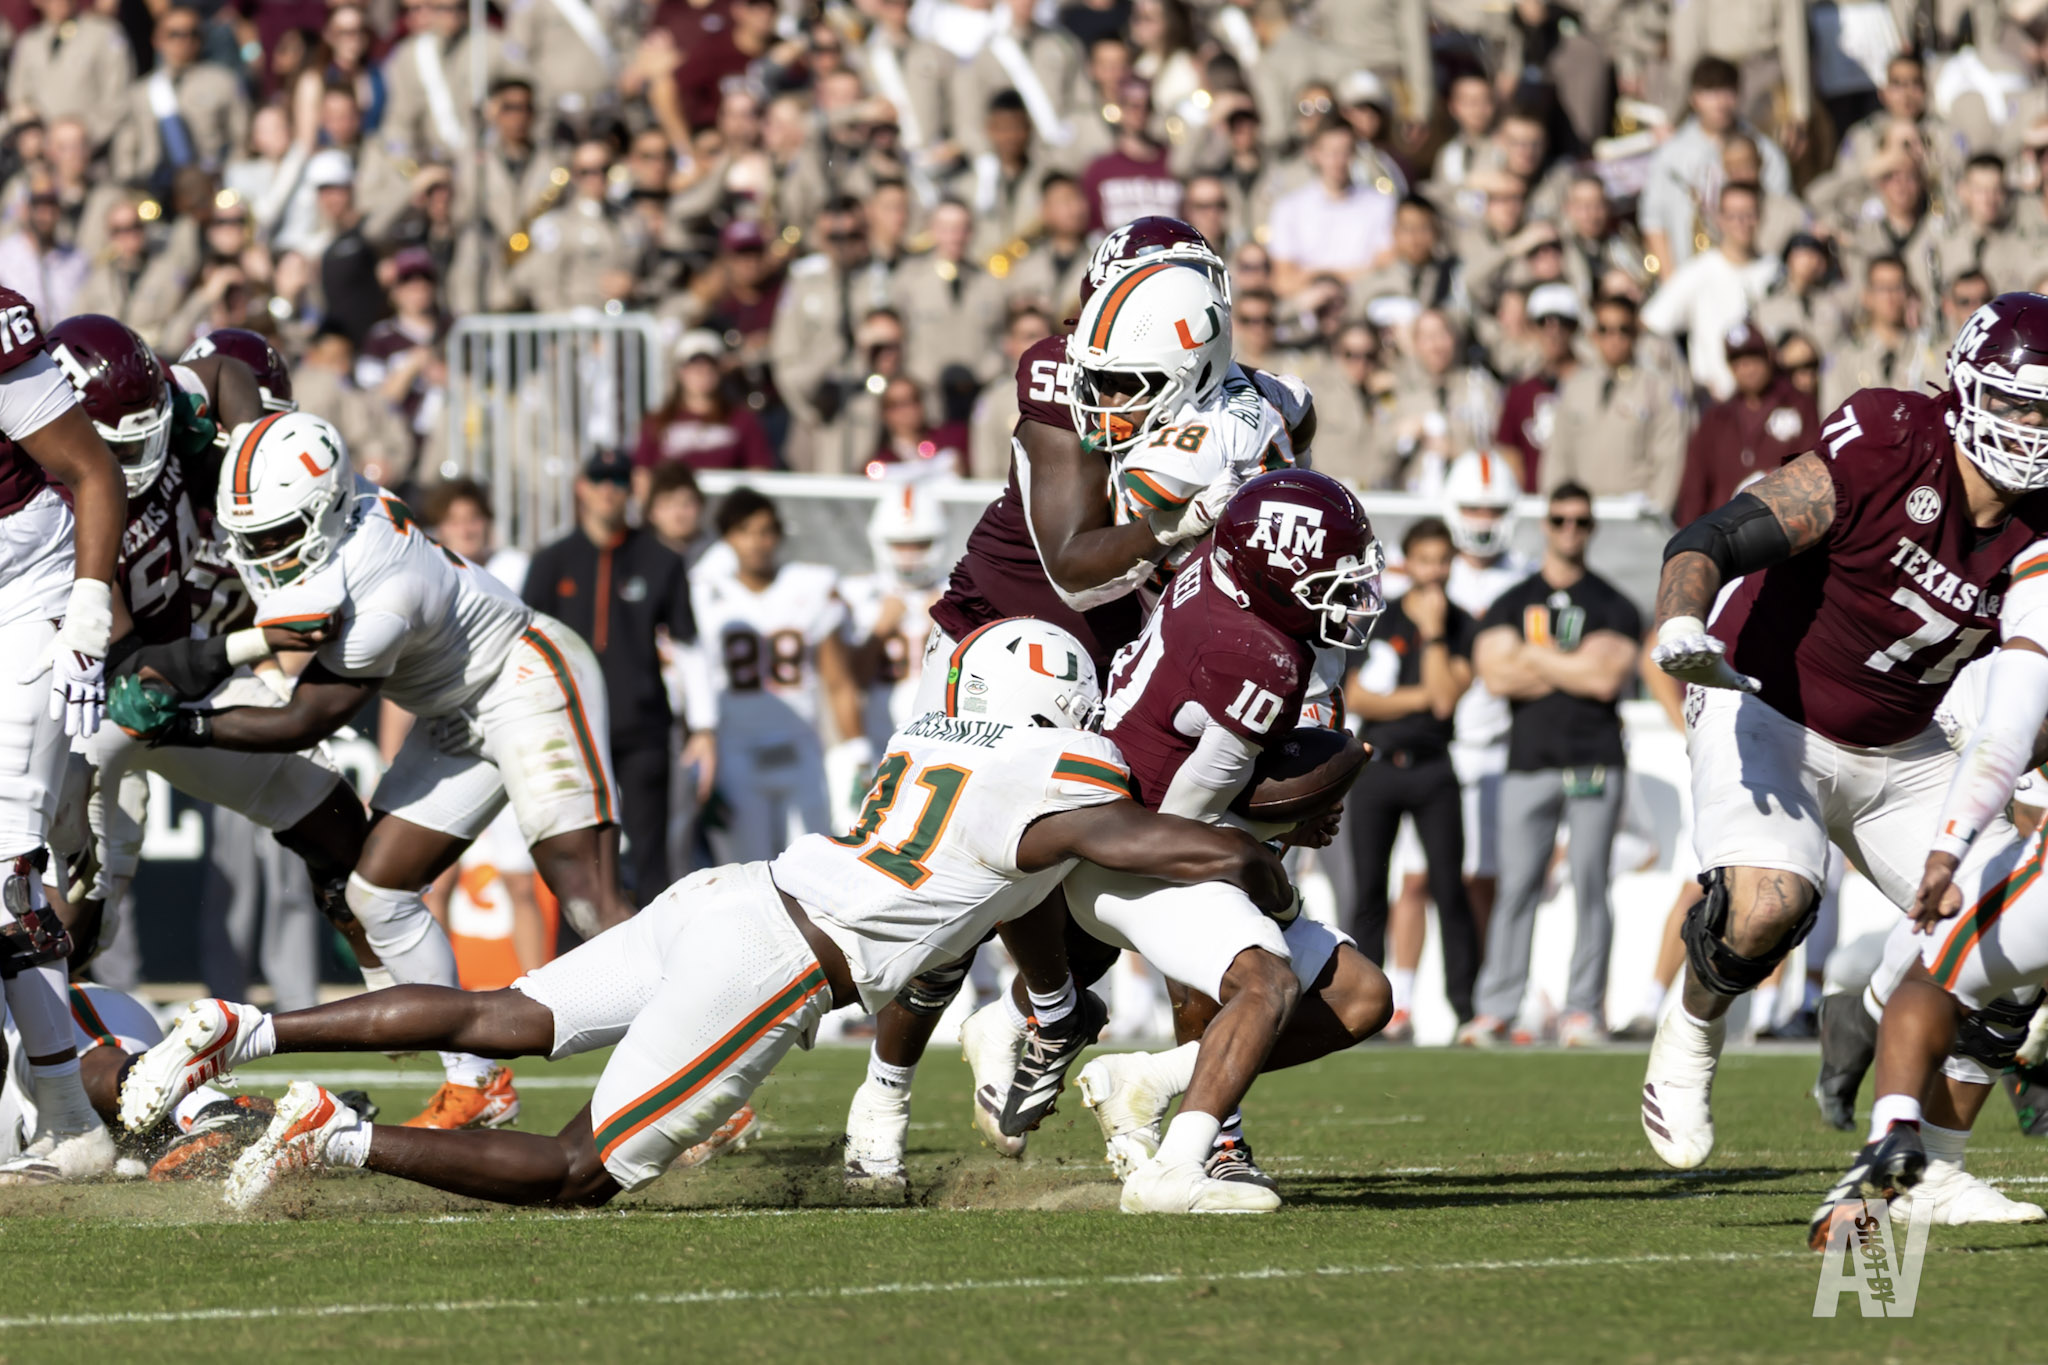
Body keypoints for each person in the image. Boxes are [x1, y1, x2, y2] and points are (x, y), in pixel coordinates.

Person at [118, 619, 1299, 1215]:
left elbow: (1016, 884)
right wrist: (1253, 860)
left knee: (502, 1013)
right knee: (578, 1172)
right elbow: (1122, 839)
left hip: (736, 891)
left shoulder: (933, 740)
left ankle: (244, 1028)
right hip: (779, 961)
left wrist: (1049, 996)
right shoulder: (1054, 765)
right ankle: (333, 1132)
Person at [108, 414, 639, 1096]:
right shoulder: (338, 505)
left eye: (276, 534)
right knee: (376, 893)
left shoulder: (381, 586)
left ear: (327, 509)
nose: (260, 552)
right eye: (251, 535)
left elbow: (304, 720)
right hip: (453, 709)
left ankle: (692, 1063)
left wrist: (181, 728)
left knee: (588, 895)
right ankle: (475, 1086)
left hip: (523, 677)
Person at [1641, 292, 2048, 1172]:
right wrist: (1680, 619)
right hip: (1767, 704)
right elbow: (1716, 533)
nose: (2032, 431)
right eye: (2017, 405)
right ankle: (1693, 1029)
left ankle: (1933, 1169)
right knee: (1768, 906)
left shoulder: (2041, 521)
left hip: (1909, 743)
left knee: (2015, 942)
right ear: (1967, 388)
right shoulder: (1892, 442)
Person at [1063, 471, 1393, 1211]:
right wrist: (1285, 823)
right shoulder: (1259, 655)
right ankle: (1179, 1168)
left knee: (1362, 996)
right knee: (1267, 984)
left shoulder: (1223, 575)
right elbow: (1189, 817)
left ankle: (1151, 1079)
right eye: (1332, 579)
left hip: (1140, 821)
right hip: (1130, 850)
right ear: (1279, 572)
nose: (1351, 595)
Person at [0, 285, 127, 1182]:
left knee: (5, 859)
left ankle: (71, 1117)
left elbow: (91, 470)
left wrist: (86, 609)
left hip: (24, 594)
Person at [1465, 482, 1641, 1047]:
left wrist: (1531, 654)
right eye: (1560, 519)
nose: (1570, 530)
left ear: (1591, 527)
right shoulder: (1512, 599)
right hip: (1529, 760)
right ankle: (1497, 1009)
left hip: (1595, 760)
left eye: (1581, 521)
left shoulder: (1614, 602)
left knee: (1591, 883)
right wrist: (1572, 663)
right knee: (1516, 887)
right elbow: (1496, 676)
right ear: (1545, 523)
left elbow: (1606, 678)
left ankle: (1582, 1009)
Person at [524, 450, 701, 907]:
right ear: (582, 488)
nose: (609, 490)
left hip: (642, 726)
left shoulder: (660, 559)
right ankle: (573, 951)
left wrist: (705, 727)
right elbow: (526, 644)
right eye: (600, 479)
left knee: (651, 856)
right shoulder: (552, 560)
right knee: (576, 856)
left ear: (632, 489)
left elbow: (688, 646)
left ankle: (659, 950)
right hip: (570, 727)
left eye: (619, 480)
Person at [1343, 517, 1478, 1024]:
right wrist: (1421, 696)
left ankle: (1464, 1009)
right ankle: (1365, 1009)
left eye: (1442, 561)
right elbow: (1358, 698)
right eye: (1425, 560)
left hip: (1433, 769)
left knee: (1449, 888)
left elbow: (1444, 703)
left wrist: (1435, 633)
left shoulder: (1461, 625)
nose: (1434, 571)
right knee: (1369, 890)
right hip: (1376, 766)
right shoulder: (1379, 616)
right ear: (1408, 562)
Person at [690, 487, 865, 865]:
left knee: (809, 871)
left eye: (766, 531)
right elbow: (691, 683)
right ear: (727, 538)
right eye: (744, 531)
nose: (757, 542)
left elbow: (838, 680)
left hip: (799, 749)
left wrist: (857, 749)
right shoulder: (704, 594)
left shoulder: (810, 586)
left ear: (779, 535)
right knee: (742, 872)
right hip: (736, 753)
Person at [1544, 294, 1688, 512]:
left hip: (1634, 513)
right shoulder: (1574, 386)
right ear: (1594, 335)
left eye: (1623, 330)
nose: (1614, 339)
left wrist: (1657, 513)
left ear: (1636, 334)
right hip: (1580, 515)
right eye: (1605, 330)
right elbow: (1558, 455)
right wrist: (1557, 508)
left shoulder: (1659, 390)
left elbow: (1668, 461)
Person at [1674, 322, 1818, 526]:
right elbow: (1694, 487)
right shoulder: (1716, 419)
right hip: (1724, 533)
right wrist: (1688, 534)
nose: (1748, 368)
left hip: (1783, 529)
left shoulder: (1799, 406)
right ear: (1730, 367)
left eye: (1754, 358)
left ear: (1768, 357)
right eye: (1739, 361)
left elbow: (1811, 471)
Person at [841, 485, 949, 752]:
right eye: (900, 545)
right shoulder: (858, 594)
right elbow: (847, 683)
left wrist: (948, 623)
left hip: (943, 741)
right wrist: (880, 629)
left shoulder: (958, 592)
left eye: (920, 544)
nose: (909, 555)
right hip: (881, 740)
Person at [632, 331, 775, 482]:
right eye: (695, 368)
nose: (703, 374)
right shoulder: (657, 421)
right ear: (680, 372)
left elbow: (759, 471)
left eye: (709, 367)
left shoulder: (742, 420)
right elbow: (642, 475)